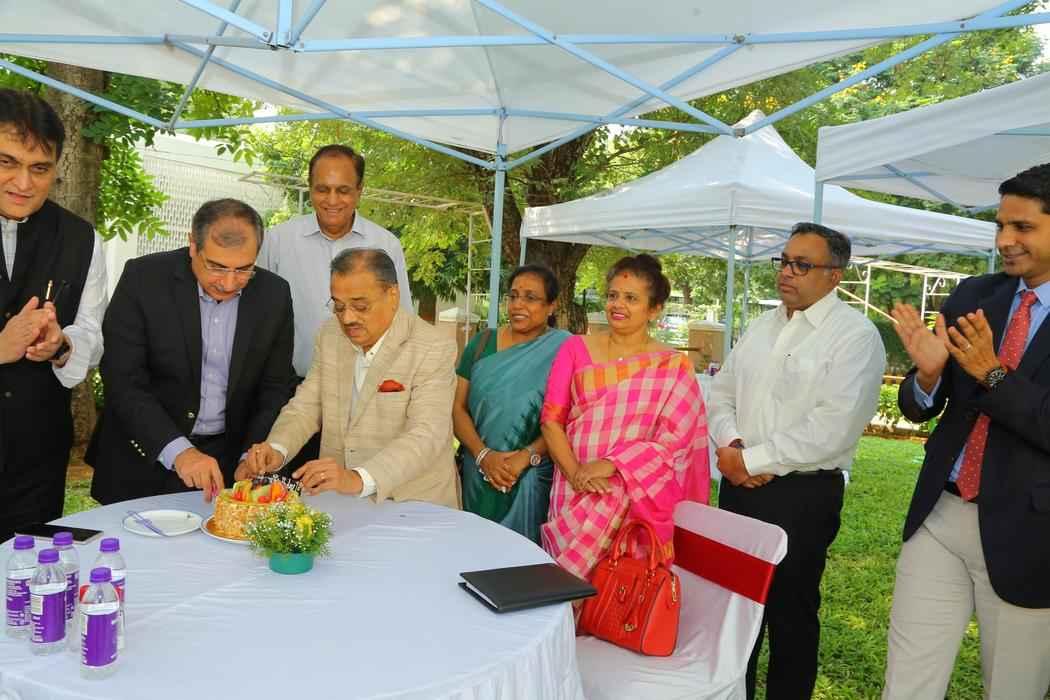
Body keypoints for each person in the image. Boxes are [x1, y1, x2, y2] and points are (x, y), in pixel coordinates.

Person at [883, 164, 1050, 700]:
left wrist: (993, 374)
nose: (1004, 241)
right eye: (1000, 225)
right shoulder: (975, 296)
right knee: (906, 684)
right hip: (941, 514)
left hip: (1030, 534)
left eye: (1022, 227)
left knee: (1012, 689)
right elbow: (921, 407)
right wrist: (928, 377)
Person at [707, 222, 885, 700]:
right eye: (784, 261)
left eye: (802, 265)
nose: (786, 272)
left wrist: (751, 460)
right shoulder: (762, 326)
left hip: (802, 495)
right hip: (738, 484)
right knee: (736, 614)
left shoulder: (855, 336)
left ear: (834, 275)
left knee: (790, 617)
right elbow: (721, 394)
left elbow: (833, 427)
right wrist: (734, 445)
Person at [87, 199, 295, 504]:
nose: (228, 283)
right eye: (217, 267)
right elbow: (123, 380)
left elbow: (275, 386)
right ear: (193, 246)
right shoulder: (143, 279)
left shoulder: (274, 294)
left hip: (229, 461)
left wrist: (249, 455)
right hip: (146, 457)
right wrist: (179, 451)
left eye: (243, 269)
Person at [242, 248, 459, 508]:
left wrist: (357, 478)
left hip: (413, 502)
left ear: (393, 295)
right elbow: (306, 407)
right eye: (338, 306)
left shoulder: (433, 346)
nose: (347, 318)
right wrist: (277, 449)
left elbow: (427, 434)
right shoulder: (330, 335)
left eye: (360, 306)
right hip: (341, 501)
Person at [539, 254, 710, 579]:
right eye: (613, 295)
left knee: (622, 590)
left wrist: (613, 464)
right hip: (573, 489)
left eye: (631, 298)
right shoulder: (575, 348)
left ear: (654, 309)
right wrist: (577, 475)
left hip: (635, 495)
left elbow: (675, 441)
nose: (618, 305)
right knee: (564, 588)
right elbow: (551, 420)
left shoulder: (672, 366)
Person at [258, 144, 412, 472]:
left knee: (352, 487)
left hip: (364, 398)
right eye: (322, 189)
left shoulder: (385, 245)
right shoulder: (277, 241)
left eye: (343, 190)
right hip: (291, 394)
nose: (332, 200)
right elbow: (256, 317)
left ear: (359, 190)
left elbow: (402, 321)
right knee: (288, 485)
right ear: (309, 188)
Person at [0, 89, 106, 542]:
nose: (23, 183)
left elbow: (92, 334)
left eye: (39, 168)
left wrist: (61, 345)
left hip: (37, 458)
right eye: (7, 162)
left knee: (28, 572)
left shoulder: (82, 239)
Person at [453, 264, 570, 543]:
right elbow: (457, 408)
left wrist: (526, 456)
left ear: (551, 306)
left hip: (531, 475)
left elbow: (568, 417)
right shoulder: (481, 343)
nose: (518, 304)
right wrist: (483, 455)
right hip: (478, 472)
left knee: (523, 557)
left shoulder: (565, 349)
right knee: (471, 548)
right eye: (513, 296)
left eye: (531, 298)